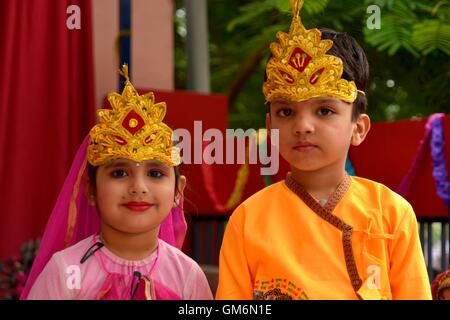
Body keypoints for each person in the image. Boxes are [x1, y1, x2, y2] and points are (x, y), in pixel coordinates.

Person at [216, 0, 431, 300]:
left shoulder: (392, 213)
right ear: (270, 126)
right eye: (286, 112)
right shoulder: (247, 219)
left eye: (325, 111)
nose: (303, 126)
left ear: (358, 128)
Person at [21, 65, 213, 300]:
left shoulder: (187, 276)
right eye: (119, 173)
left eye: (155, 173)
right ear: (91, 190)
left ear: (177, 191)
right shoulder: (65, 271)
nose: (138, 187)